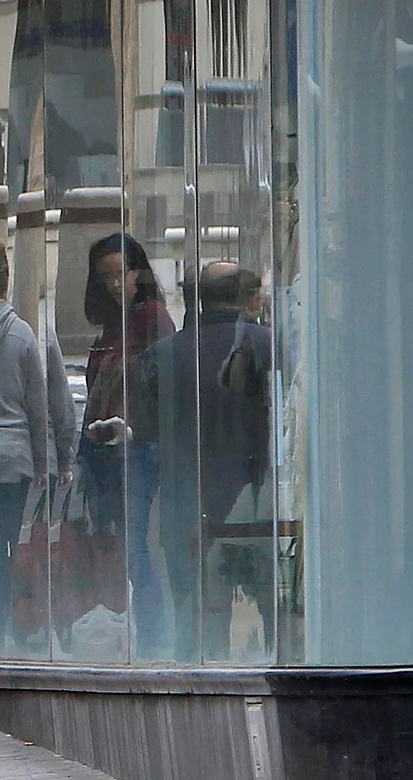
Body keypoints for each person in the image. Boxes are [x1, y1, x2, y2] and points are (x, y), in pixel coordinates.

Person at [130, 261, 273, 662]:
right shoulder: (271, 345)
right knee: (271, 608)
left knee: (193, 613)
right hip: (256, 501)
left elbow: (145, 430)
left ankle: (197, 680)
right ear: (247, 297)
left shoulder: (163, 355)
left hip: (186, 503)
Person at [77, 232, 175, 651]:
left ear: (138, 273)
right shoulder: (110, 327)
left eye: (122, 273)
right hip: (105, 449)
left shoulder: (151, 318)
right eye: (105, 277)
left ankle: (154, 635)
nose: (115, 283)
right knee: (119, 542)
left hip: (137, 447)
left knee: (136, 543)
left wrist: (138, 429)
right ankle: (141, 629)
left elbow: (161, 387)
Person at [0, 239, 65, 655]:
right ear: (7, 280)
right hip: (13, 458)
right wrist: (47, 464)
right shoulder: (25, 335)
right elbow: (39, 405)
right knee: (3, 545)